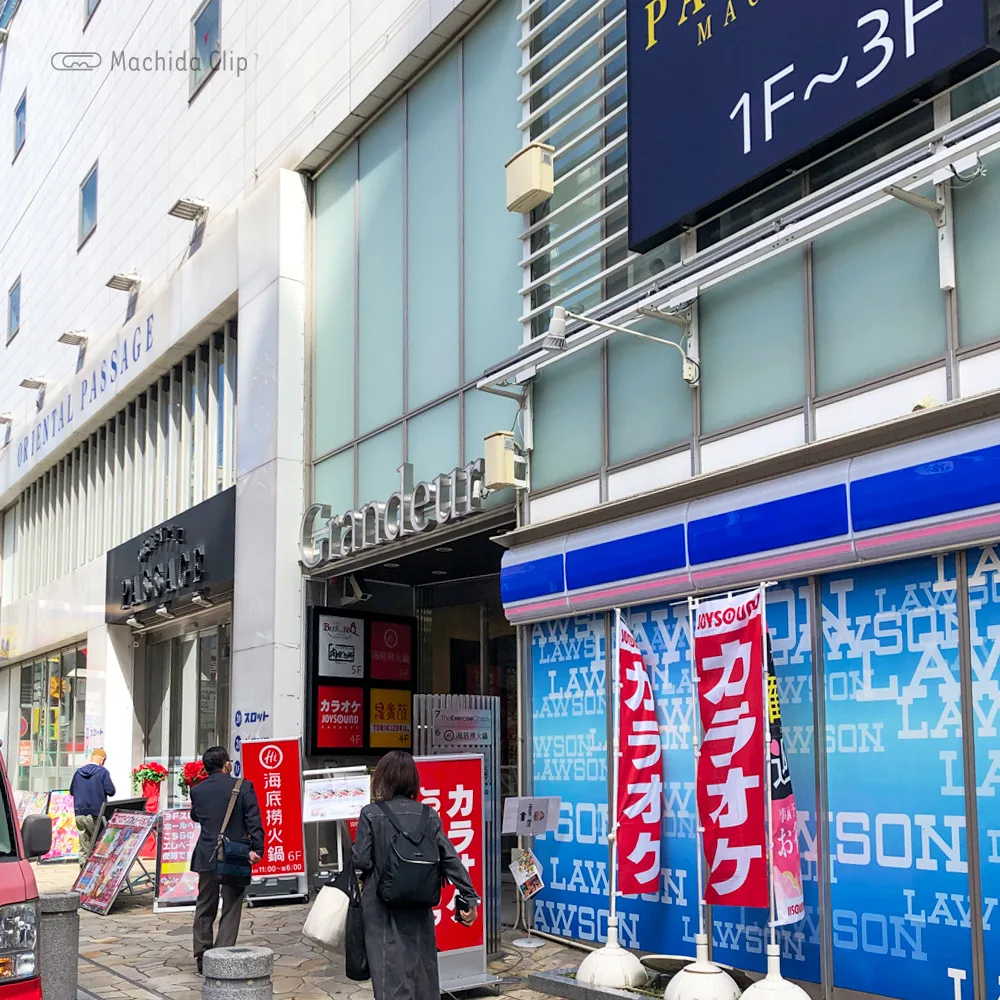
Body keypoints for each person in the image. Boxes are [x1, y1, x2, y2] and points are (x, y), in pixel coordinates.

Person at [353, 751, 480, 1000]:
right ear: (413, 780)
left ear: (383, 778)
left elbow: (361, 860)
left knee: (388, 971)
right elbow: (450, 858)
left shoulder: (370, 813)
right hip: (419, 903)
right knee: (422, 970)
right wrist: (469, 896)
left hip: (380, 907)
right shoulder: (428, 815)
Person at [189, 747, 264, 974]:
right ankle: (221, 953)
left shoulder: (198, 791)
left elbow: (196, 816)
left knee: (205, 904)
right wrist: (258, 848)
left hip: (207, 854)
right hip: (234, 854)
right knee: (232, 904)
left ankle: (202, 954)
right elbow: (253, 819)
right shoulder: (243, 787)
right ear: (226, 764)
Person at [69, 748, 116, 866]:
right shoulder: (102, 772)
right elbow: (111, 791)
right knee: (98, 843)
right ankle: (95, 871)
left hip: (79, 813)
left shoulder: (78, 772)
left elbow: (71, 791)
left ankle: (83, 869)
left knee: (84, 844)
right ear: (102, 759)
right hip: (96, 813)